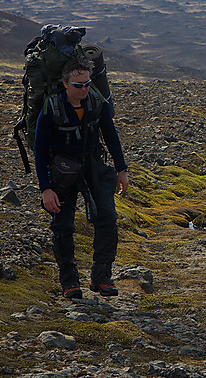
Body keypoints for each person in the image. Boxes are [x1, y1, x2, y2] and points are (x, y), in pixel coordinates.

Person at [34, 57, 130, 299]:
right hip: (61, 171)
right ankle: (69, 282)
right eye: (78, 85)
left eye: (87, 83)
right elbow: (40, 150)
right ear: (65, 84)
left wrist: (122, 170)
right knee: (62, 226)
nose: (84, 89)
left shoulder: (98, 103)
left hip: (93, 167)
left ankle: (102, 278)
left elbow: (111, 135)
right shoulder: (51, 107)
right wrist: (46, 188)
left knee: (107, 218)